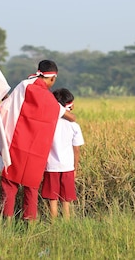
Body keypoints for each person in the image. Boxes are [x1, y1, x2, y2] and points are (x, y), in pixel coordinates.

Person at [0, 60, 76, 221]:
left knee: (9, 185)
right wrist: (71, 115)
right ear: (53, 78)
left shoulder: (23, 85)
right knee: (31, 186)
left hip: (15, 145)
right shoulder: (43, 94)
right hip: (34, 151)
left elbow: (7, 105)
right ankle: (30, 223)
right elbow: (63, 113)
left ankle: (4, 224)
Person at [41, 88, 84, 219]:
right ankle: (67, 221)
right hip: (67, 166)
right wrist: (75, 167)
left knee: (52, 198)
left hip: (50, 166)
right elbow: (76, 149)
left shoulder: (48, 123)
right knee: (66, 198)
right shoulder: (74, 125)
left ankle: (53, 222)